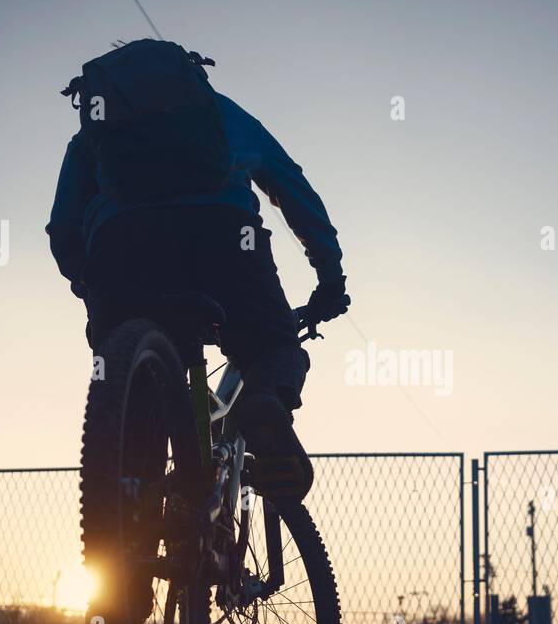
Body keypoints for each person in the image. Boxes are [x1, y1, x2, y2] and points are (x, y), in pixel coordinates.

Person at [46, 50, 349, 503]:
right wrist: (330, 277)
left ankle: (129, 517)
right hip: (224, 240)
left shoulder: (96, 132)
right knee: (273, 347)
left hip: (123, 252)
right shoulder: (222, 113)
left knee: (138, 412)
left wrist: (90, 285)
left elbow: (63, 228)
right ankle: (266, 399)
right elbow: (292, 187)